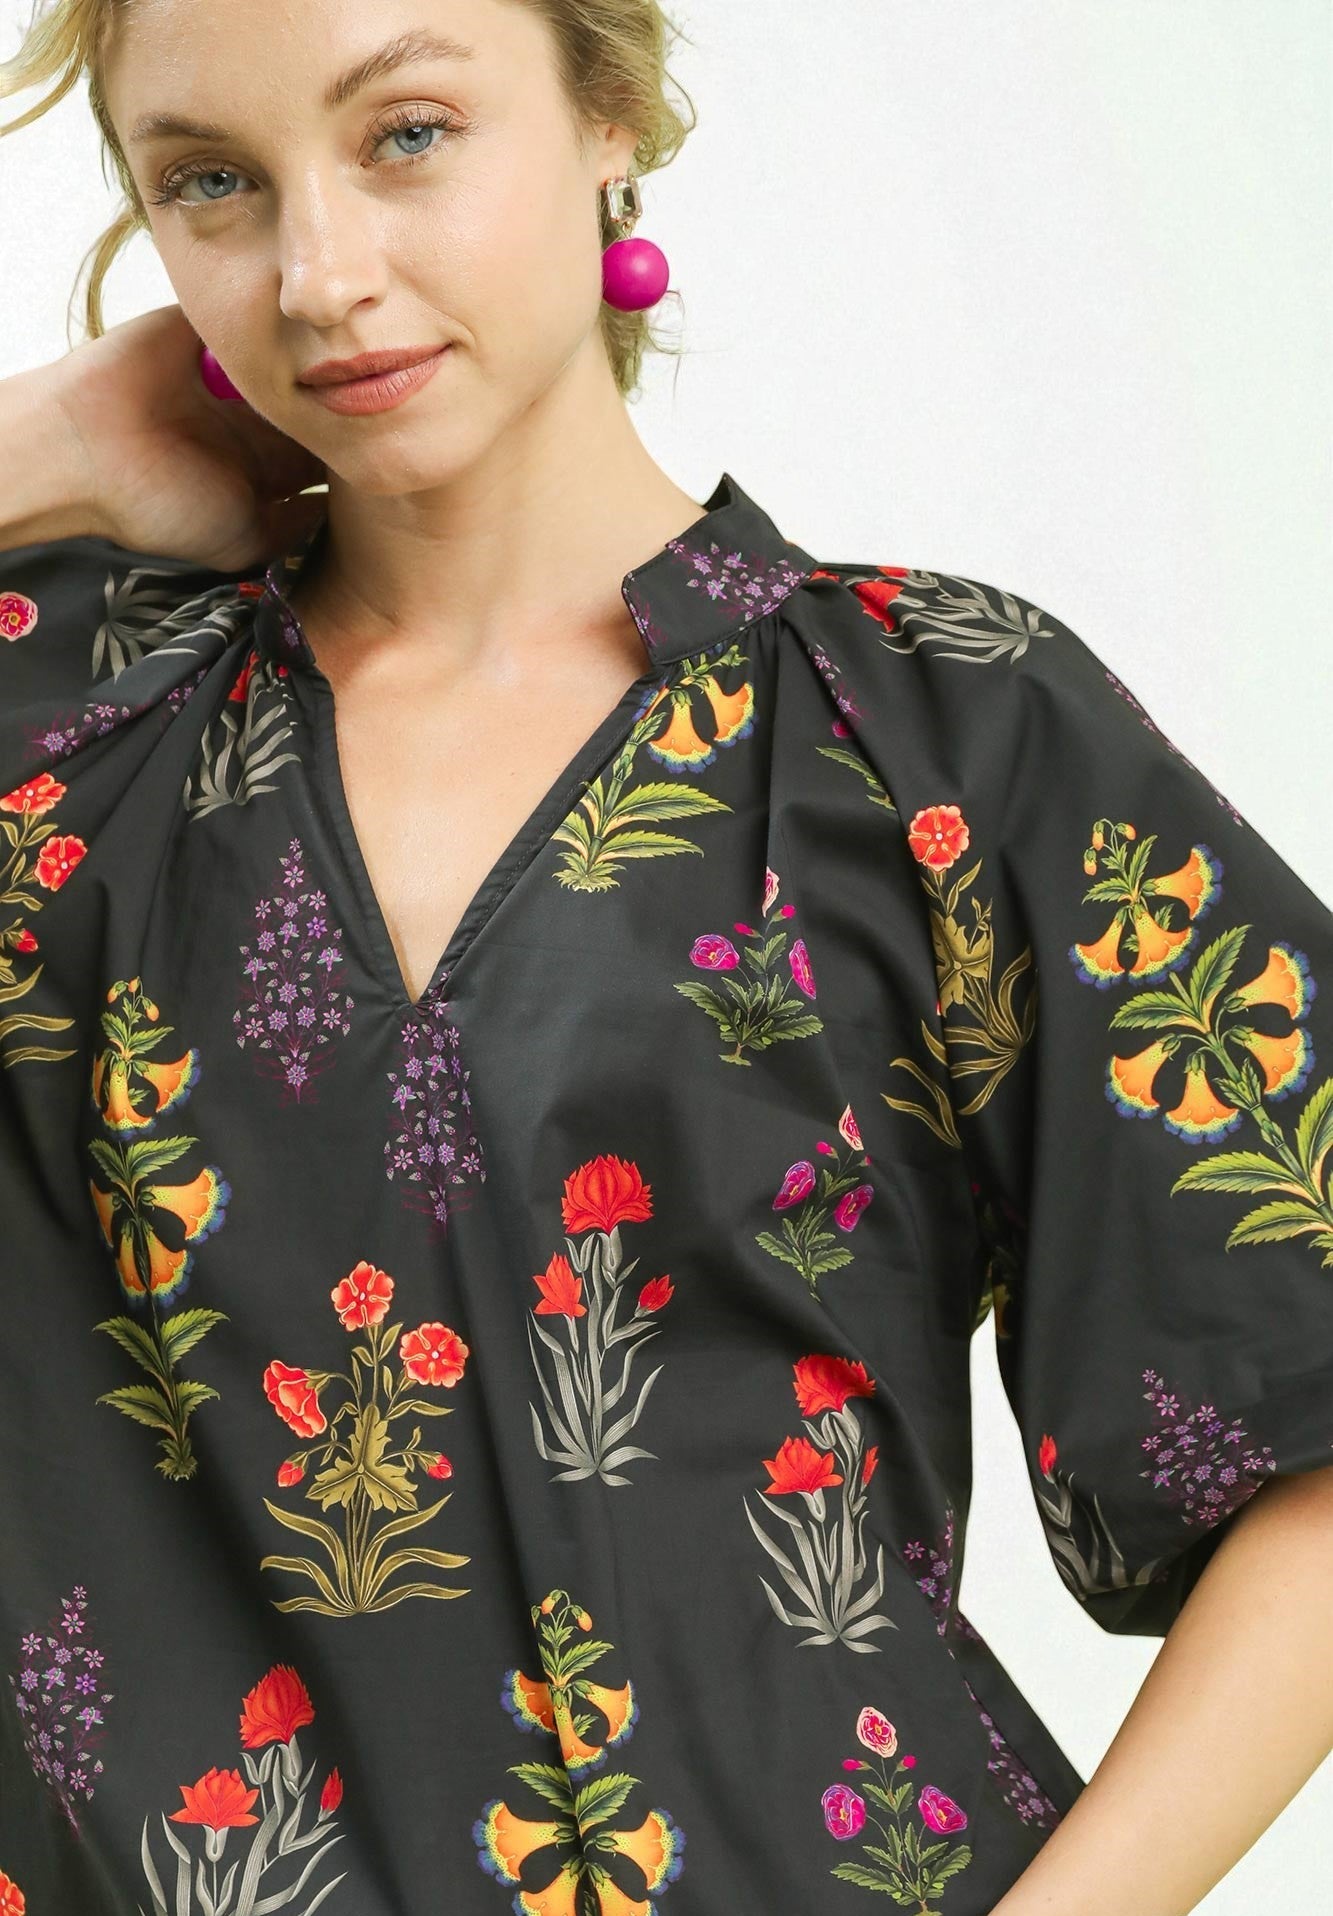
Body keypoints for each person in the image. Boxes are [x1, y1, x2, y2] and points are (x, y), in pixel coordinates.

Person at [1, 4, 1330, 1913]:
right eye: (211, 181)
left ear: (606, 112)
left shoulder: (930, 730)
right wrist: (49, 441)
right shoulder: (63, 747)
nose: (318, 274)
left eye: (407, 134)